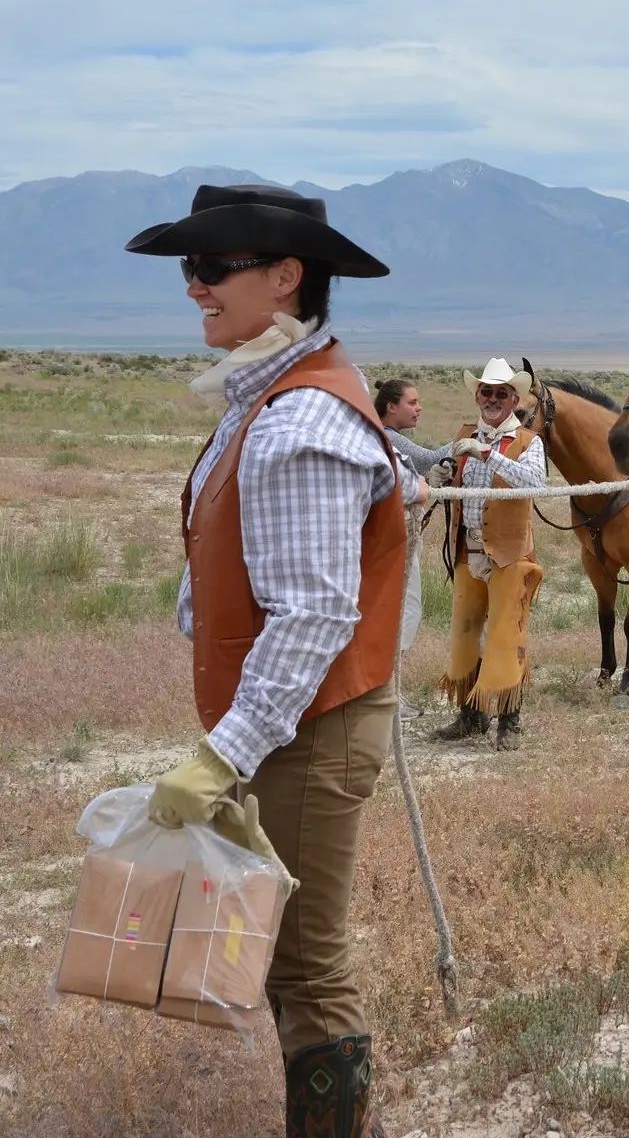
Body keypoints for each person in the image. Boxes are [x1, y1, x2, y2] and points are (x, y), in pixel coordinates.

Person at [125, 183, 427, 1138]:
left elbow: (310, 618)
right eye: (189, 268)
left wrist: (223, 755)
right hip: (294, 721)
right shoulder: (280, 399)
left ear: (285, 277)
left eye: (212, 269)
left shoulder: (298, 422)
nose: (194, 290)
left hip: (311, 725)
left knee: (304, 964)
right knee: (291, 957)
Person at [435, 357, 546, 750]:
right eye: (487, 392)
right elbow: (450, 478)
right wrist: (444, 476)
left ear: (515, 399)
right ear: (477, 396)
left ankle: (509, 723)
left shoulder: (529, 443)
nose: (493, 399)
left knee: (505, 635)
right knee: (464, 635)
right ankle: (470, 716)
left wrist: (488, 455)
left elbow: (535, 483)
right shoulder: (463, 436)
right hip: (469, 550)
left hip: (510, 555)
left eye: (501, 393)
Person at [374, 378, 452, 717]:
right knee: (406, 611)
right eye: (412, 402)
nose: (419, 408)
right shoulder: (389, 439)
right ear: (392, 407)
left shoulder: (386, 438)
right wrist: (468, 441)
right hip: (395, 542)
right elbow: (430, 459)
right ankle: (386, 694)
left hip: (390, 540)